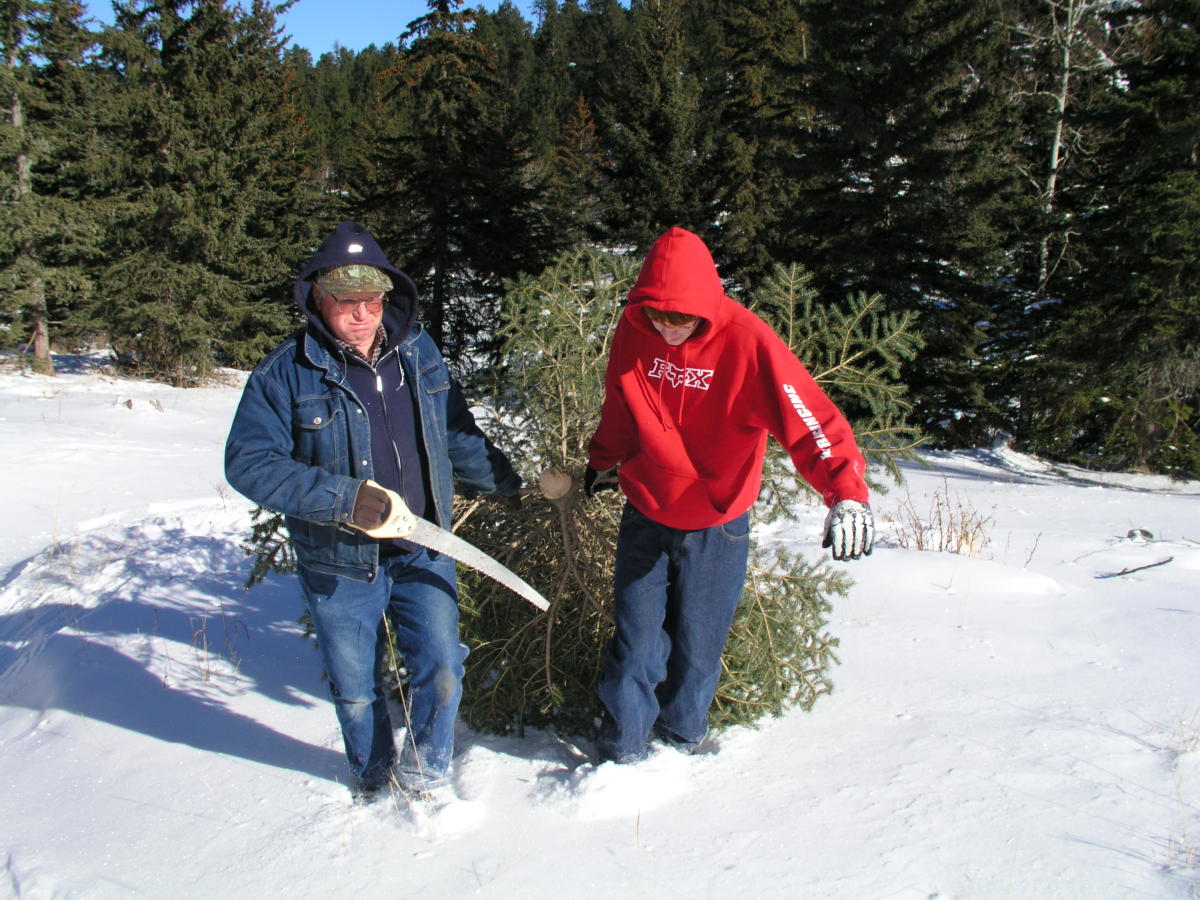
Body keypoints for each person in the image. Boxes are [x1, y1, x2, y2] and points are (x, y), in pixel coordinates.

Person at [224, 221, 522, 801]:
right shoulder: (284, 373)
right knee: (357, 687)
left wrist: (509, 484)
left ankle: (428, 769)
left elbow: (455, 432)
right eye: (346, 301)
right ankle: (371, 777)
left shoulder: (418, 351)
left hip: (425, 543)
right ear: (318, 296)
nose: (362, 314)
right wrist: (343, 499)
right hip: (340, 559)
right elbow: (248, 463)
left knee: (440, 667)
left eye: (372, 300)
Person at [584, 226, 874, 764]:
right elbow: (620, 405)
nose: (668, 330)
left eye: (682, 318)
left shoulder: (747, 342)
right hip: (646, 509)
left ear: (706, 308)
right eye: (658, 316)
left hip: (718, 522)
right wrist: (603, 461)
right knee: (636, 643)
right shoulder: (634, 331)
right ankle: (621, 751)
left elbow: (809, 418)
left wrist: (846, 491)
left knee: (698, 649)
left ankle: (681, 741)